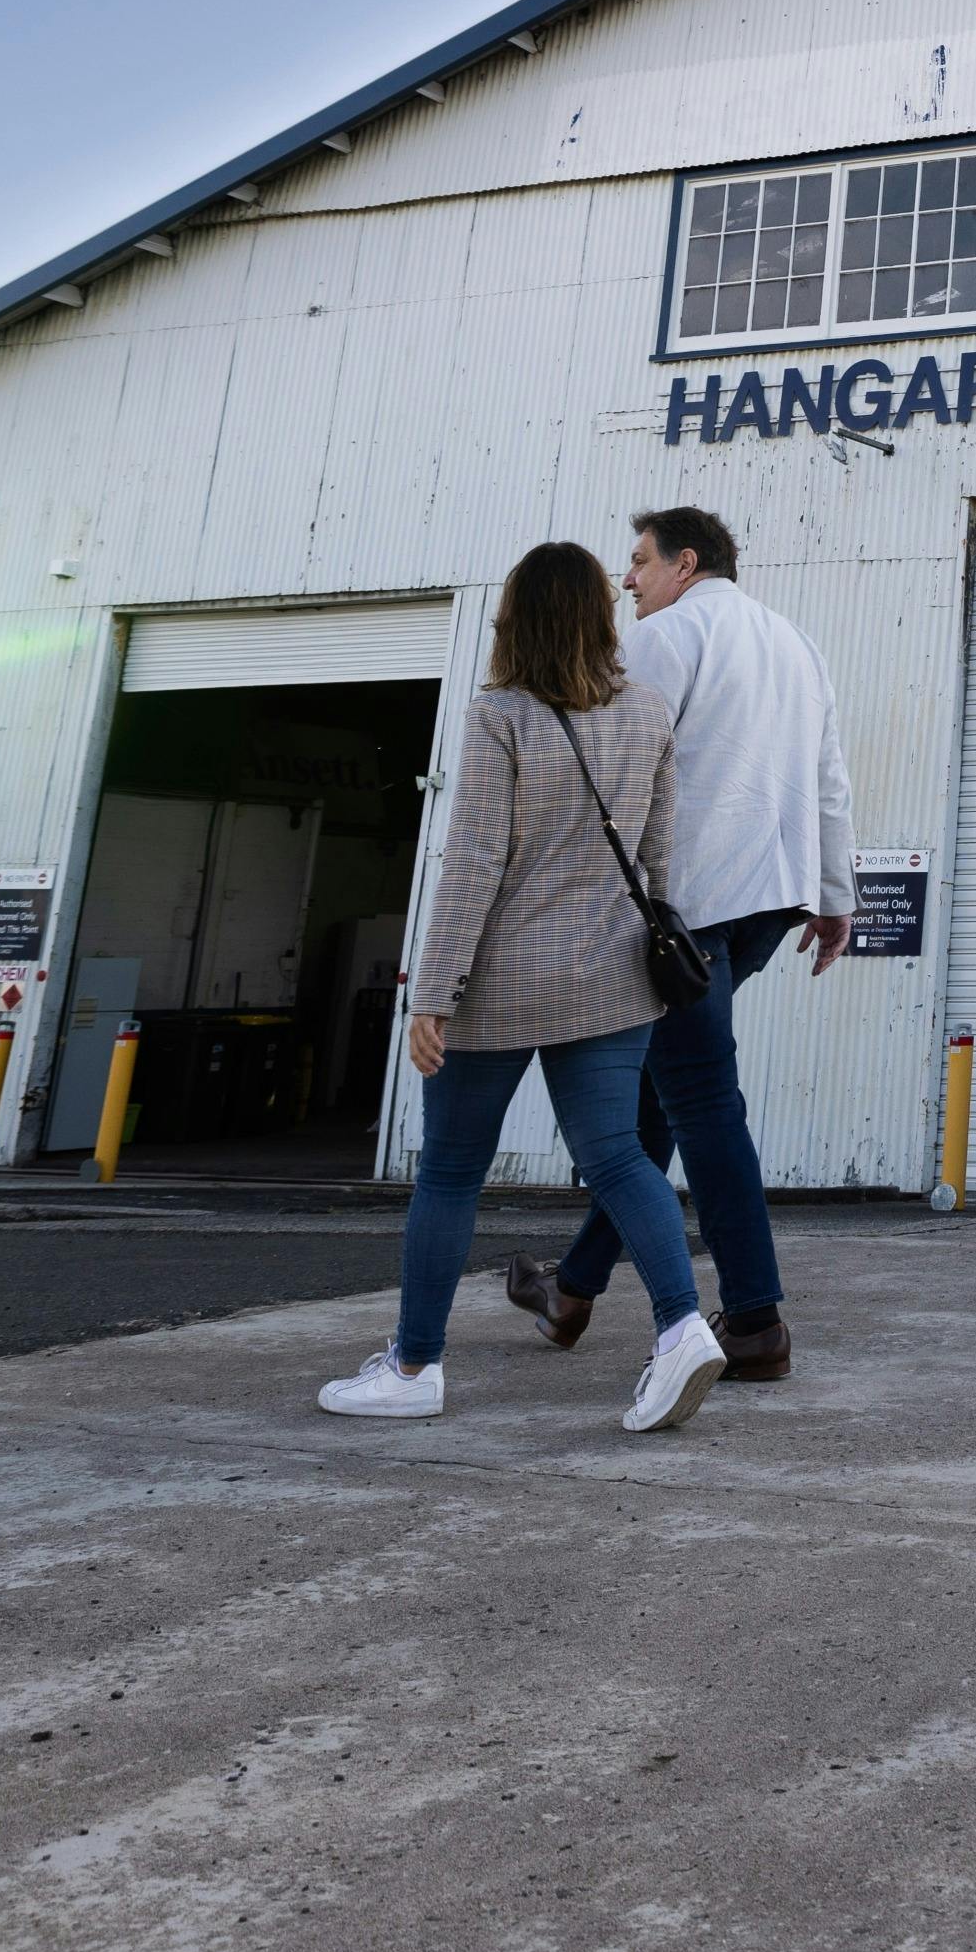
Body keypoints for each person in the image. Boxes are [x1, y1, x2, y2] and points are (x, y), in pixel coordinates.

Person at [320, 540, 729, 1432]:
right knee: (619, 1156)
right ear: (597, 613)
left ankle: (415, 1364)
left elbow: (473, 861)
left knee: (454, 1172)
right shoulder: (649, 711)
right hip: (614, 977)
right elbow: (658, 863)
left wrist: (431, 990)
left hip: (499, 980)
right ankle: (683, 1327)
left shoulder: (499, 714)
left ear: (518, 616)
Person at [499, 503, 855, 1380]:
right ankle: (571, 1289)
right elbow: (829, 778)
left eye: (639, 562)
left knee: (699, 1098)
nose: (627, 580)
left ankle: (757, 1320)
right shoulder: (795, 643)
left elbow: (620, 770)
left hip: (679, 907)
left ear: (685, 561)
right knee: (664, 1097)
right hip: (770, 898)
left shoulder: (667, 635)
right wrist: (838, 896)